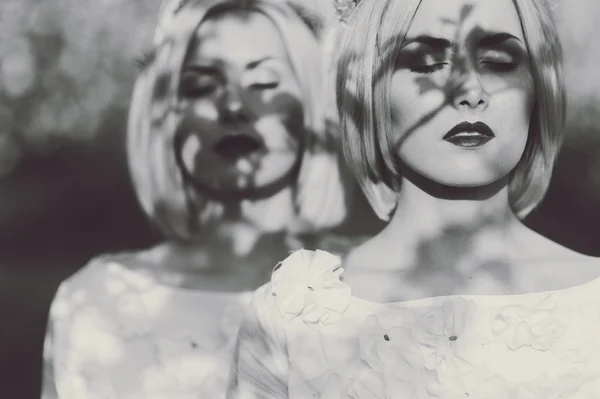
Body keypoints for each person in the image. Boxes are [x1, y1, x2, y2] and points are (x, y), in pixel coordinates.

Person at [227, 0, 600, 397]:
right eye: (426, 64)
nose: (469, 91)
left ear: (539, 88)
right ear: (369, 91)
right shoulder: (292, 314)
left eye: (498, 61)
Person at [41, 0, 352, 397]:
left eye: (265, 83)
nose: (235, 106)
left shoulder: (368, 284)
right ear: (164, 115)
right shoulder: (93, 300)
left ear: (313, 104)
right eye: (202, 86)